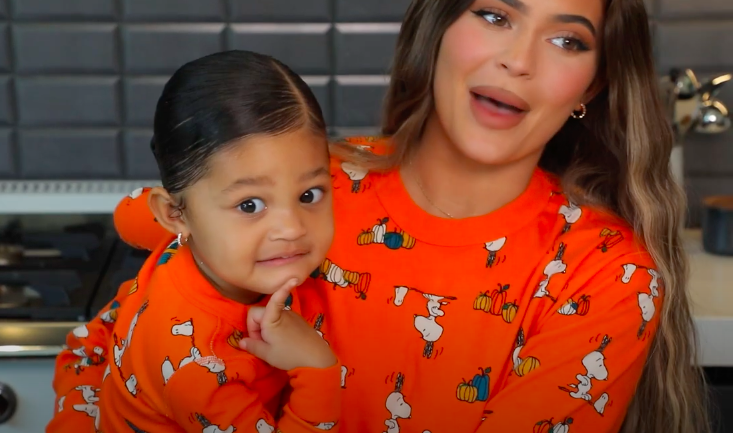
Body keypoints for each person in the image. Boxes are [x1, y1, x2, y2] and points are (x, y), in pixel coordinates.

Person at [49, 0, 710, 431]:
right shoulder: (304, 186)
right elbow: (111, 345)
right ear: (438, 29)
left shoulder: (604, 279)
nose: (519, 60)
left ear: (589, 89)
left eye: (567, 40)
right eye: (495, 14)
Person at [47, 50, 342, 432]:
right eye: (250, 204)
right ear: (174, 214)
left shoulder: (196, 234)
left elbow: (131, 216)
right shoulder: (199, 367)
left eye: (309, 195)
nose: (292, 228)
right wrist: (317, 370)